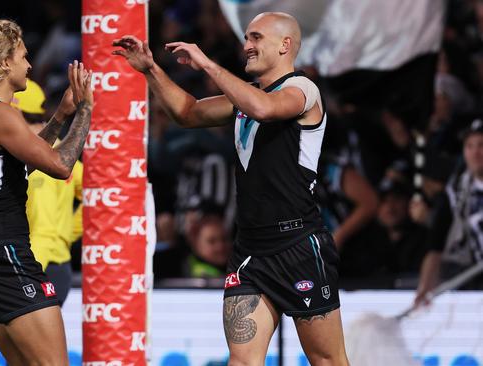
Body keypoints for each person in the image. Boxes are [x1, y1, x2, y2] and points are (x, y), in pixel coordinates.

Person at [114, 11, 349, 365]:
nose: (247, 46)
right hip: (250, 248)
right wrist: (150, 69)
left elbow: (265, 108)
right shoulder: (249, 97)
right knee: (241, 360)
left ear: (285, 45)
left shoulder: (303, 89)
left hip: (298, 243)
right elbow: (187, 112)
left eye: (255, 38)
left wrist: (207, 64)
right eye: (246, 38)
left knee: (327, 360)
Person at [0, 18, 92, 365]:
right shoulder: (1, 114)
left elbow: (25, 162)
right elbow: (60, 167)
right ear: (3, 62)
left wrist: (60, 115)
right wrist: (87, 109)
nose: (30, 64)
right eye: (23, 56)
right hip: (5, 253)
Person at [10, 79, 83, 306]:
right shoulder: (62, 154)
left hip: (33, 262)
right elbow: (94, 196)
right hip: (57, 264)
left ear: (16, 111)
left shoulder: (28, 156)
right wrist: (67, 234)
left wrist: (67, 234)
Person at [415, 119, 483, 307]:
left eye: (481, 145)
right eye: (469, 146)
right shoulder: (455, 193)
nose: (475, 152)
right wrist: (425, 288)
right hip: (473, 284)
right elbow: (436, 245)